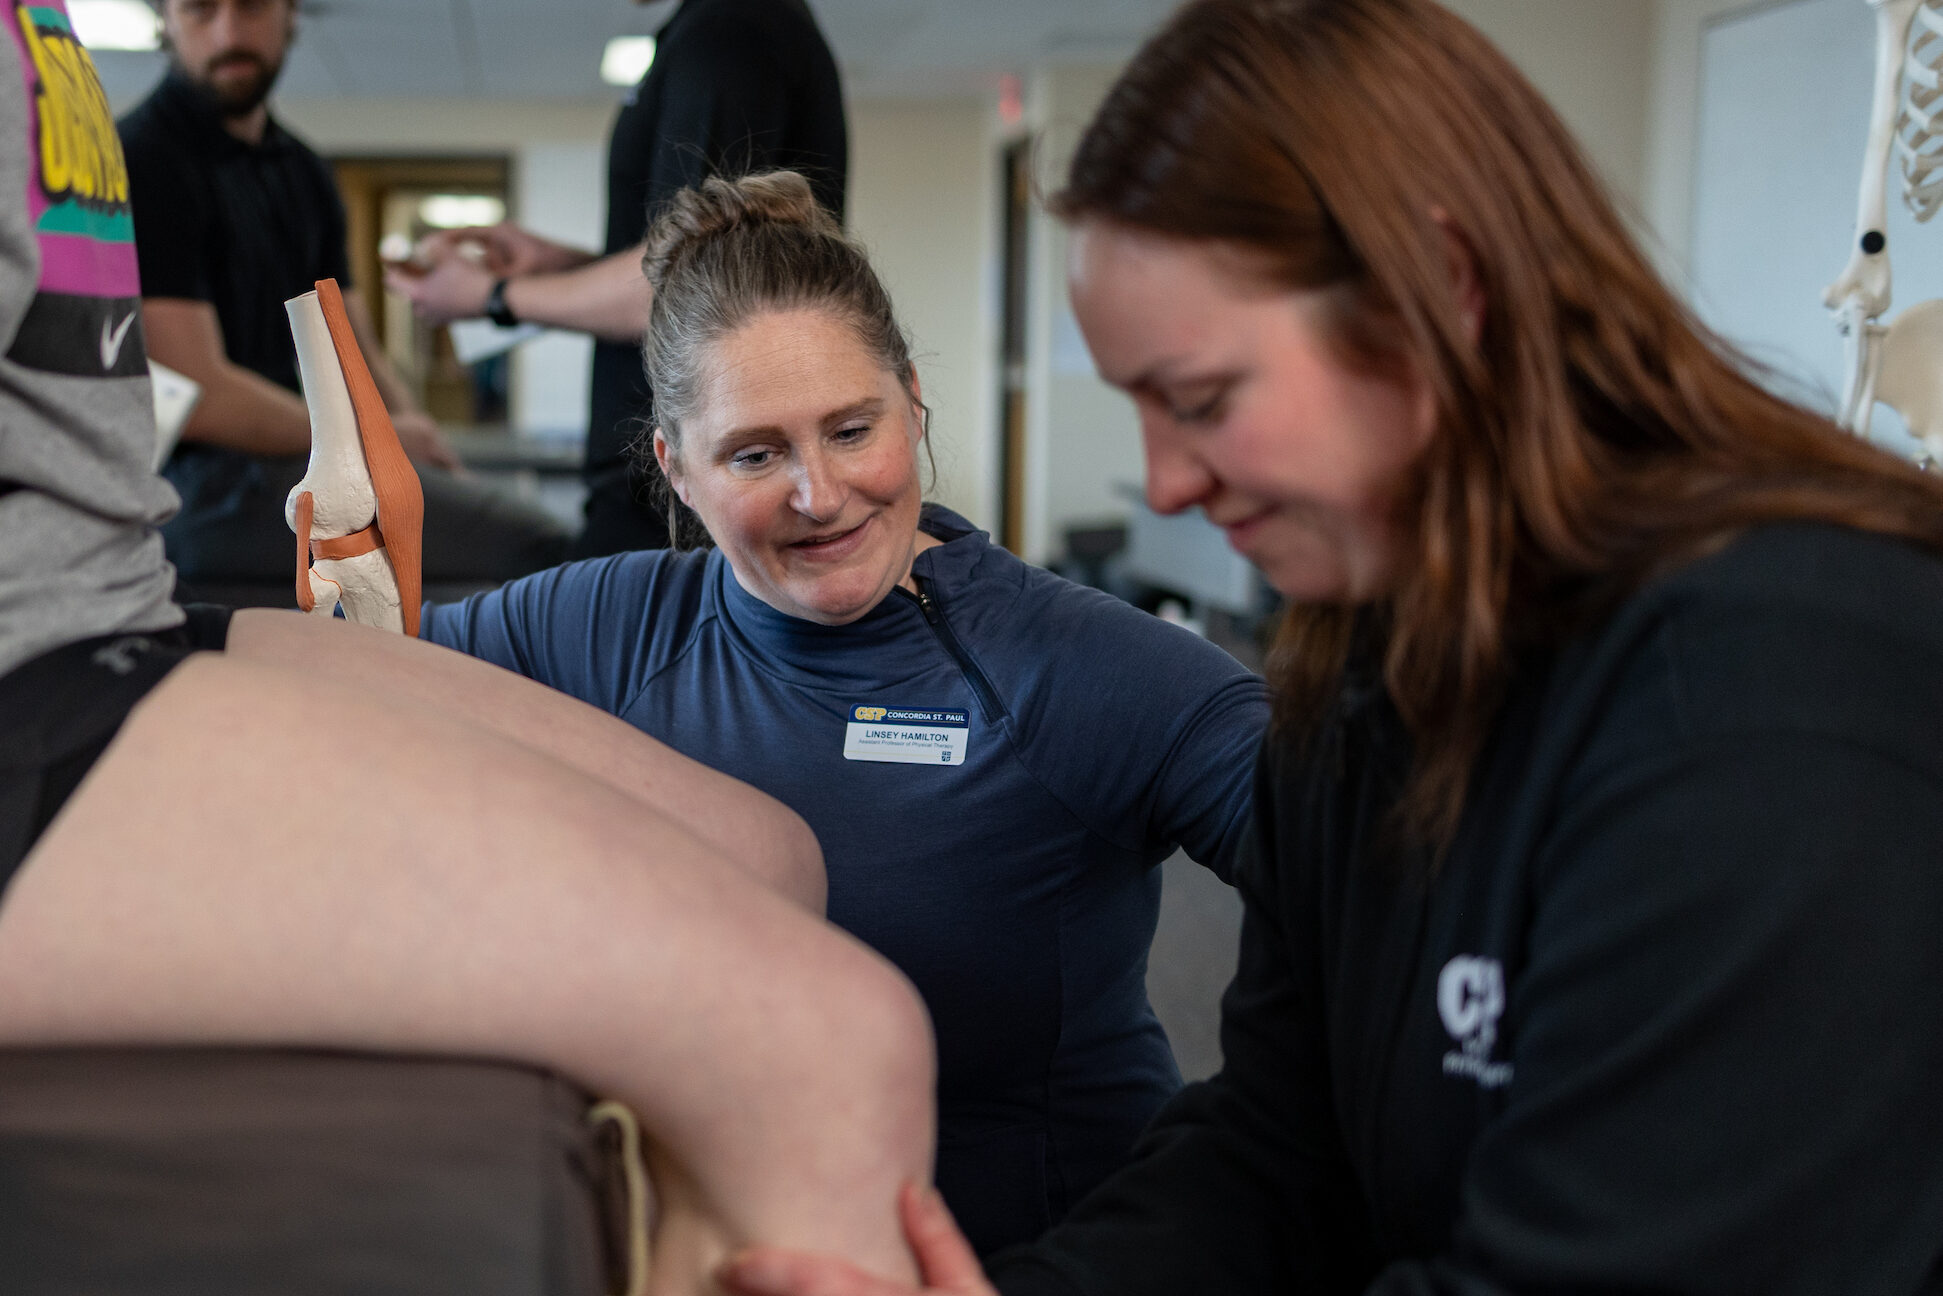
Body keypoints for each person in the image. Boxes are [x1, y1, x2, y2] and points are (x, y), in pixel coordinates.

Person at [712, 2, 1943, 1294]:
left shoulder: (1775, 686)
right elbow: (1282, 1145)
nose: (1162, 481)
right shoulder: (1370, 668)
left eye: (1200, 402)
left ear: (1440, 293)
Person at [1, 9, 933, 1292]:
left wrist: (401, 403)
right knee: (839, 1039)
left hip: (127, 604)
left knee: (772, 855)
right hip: (33, 675)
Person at [418, 170, 1271, 1257]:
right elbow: (353, 691)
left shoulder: (1071, 669)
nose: (818, 495)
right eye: (755, 454)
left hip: (1015, 1254)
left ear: (912, 403)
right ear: (675, 468)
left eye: (852, 429)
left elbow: (1383, 879)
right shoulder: (600, 626)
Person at [117, 0, 570, 593]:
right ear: (167, 20)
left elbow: (348, 339)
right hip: (204, 491)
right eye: (201, 9)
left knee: (525, 541)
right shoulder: (143, 157)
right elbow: (199, 393)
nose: (229, 32)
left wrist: (412, 430)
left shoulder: (302, 170)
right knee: (538, 551)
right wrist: (376, 442)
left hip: (302, 465)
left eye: (252, 7)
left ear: (290, 15)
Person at [388, 0, 848, 559]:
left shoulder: (730, 30)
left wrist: (493, 296)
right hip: (665, 481)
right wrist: (560, 265)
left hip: (676, 495)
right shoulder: (714, 29)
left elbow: (687, 290)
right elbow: (695, 266)